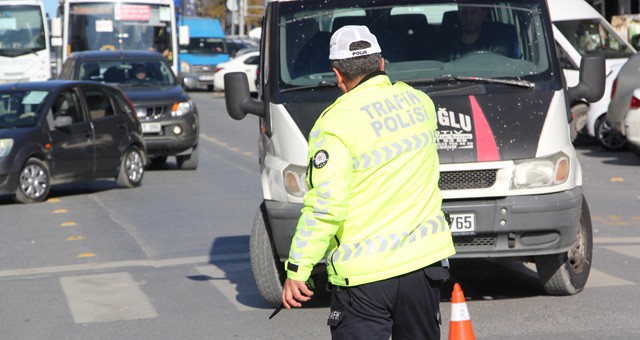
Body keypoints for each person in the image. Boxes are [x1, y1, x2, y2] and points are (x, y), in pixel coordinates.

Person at [281, 25, 456, 339]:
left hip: (364, 278)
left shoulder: (333, 124)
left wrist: (298, 269)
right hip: (423, 266)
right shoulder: (420, 104)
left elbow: (325, 207)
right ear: (382, 63)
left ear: (337, 75)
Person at [436, 4, 520, 60]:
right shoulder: (445, 44)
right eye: (464, 12)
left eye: (473, 12)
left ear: (483, 15)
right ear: (459, 15)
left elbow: (498, 66)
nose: (468, 18)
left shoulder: (497, 42)